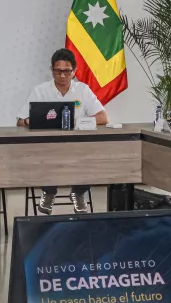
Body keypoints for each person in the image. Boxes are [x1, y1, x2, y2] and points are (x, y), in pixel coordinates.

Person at [17, 48, 108, 215]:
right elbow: (20, 122)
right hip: (48, 146)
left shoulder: (83, 90)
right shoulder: (40, 90)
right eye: (58, 71)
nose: (62, 75)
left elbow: (103, 117)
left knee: (92, 153)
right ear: (51, 70)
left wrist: (76, 122)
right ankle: (49, 192)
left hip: (78, 146)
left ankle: (78, 193)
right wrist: (30, 121)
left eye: (67, 71)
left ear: (74, 71)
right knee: (42, 153)